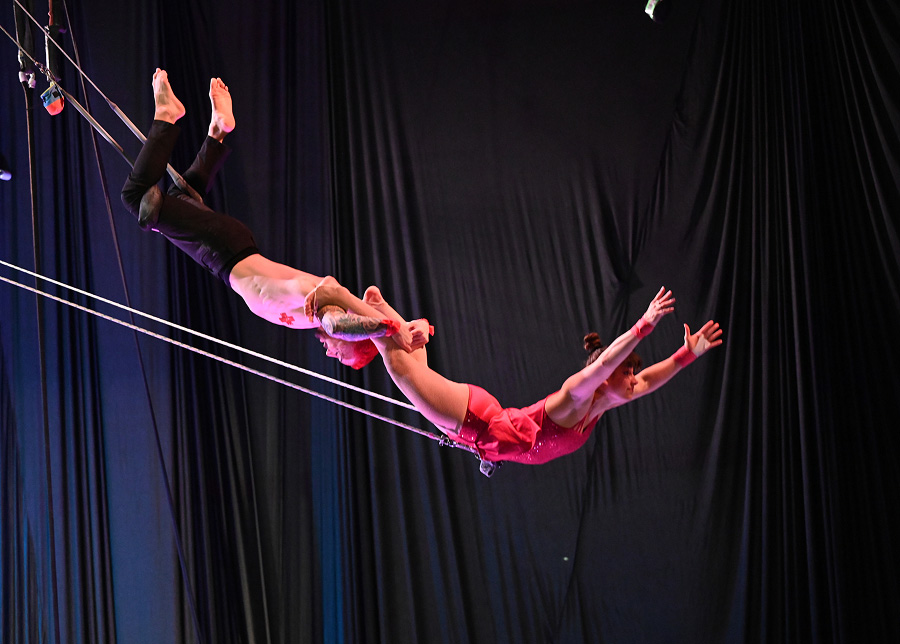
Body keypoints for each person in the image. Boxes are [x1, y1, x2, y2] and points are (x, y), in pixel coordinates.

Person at [120, 68, 424, 356]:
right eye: (342, 355)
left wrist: (400, 325)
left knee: (181, 198)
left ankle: (217, 131)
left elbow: (367, 301)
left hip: (227, 251)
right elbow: (339, 322)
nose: (331, 353)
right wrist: (388, 328)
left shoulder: (317, 309)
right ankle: (167, 115)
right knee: (137, 199)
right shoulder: (323, 308)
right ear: (352, 341)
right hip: (221, 249)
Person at [319, 286, 723, 465]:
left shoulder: (602, 404)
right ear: (604, 376)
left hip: (481, 428)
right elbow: (603, 365)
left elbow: (650, 381)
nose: (634, 379)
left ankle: (384, 309)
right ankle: (352, 302)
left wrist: (686, 354)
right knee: (399, 366)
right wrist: (643, 326)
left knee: (411, 366)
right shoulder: (577, 394)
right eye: (628, 372)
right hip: (476, 422)